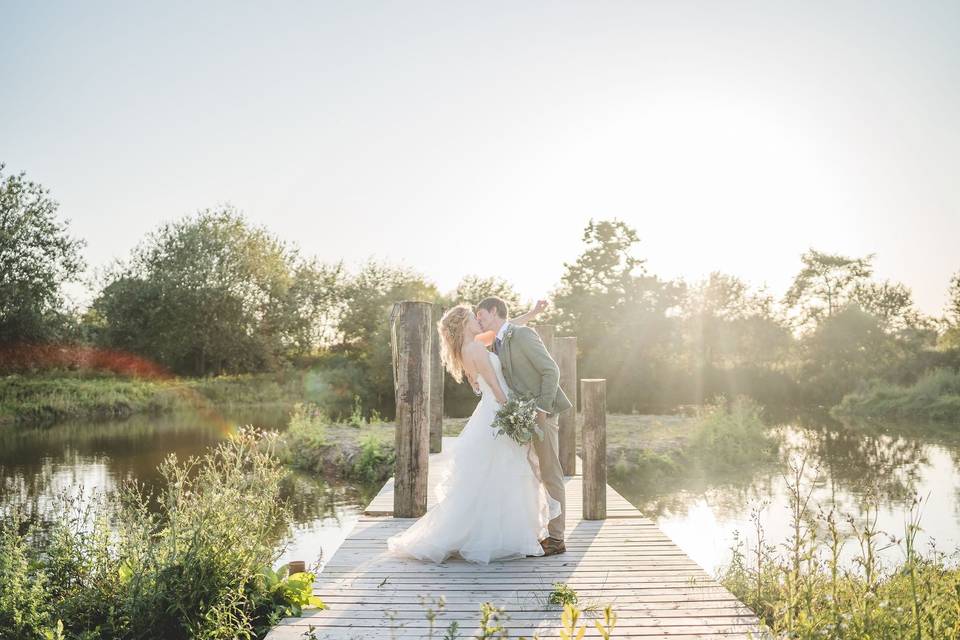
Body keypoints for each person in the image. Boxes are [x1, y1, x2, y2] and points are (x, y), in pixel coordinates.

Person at [385, 302, 560, 564]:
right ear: (463, 324)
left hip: (489, 413)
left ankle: (497, 532)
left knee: (497, 475)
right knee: (506, 473)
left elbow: (507, 329)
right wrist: (515, 417)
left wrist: (532, 314)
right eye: (472, 317)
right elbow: (496, 388)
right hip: (499, 412)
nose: (478, 320)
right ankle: (504, 536)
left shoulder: (470, 347)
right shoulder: (477, 348)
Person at [475, 296, 572, 556]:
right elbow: (493, 338)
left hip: (544, 414)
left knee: (550, 473)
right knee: (533, 474)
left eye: (481, 315)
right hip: (523, 416)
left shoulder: (523, 335)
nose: (478, 320)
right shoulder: (498, 340)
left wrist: (542, 409)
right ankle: (540, 530)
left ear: (494, 311)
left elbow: (551, 371)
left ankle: (557, 538)